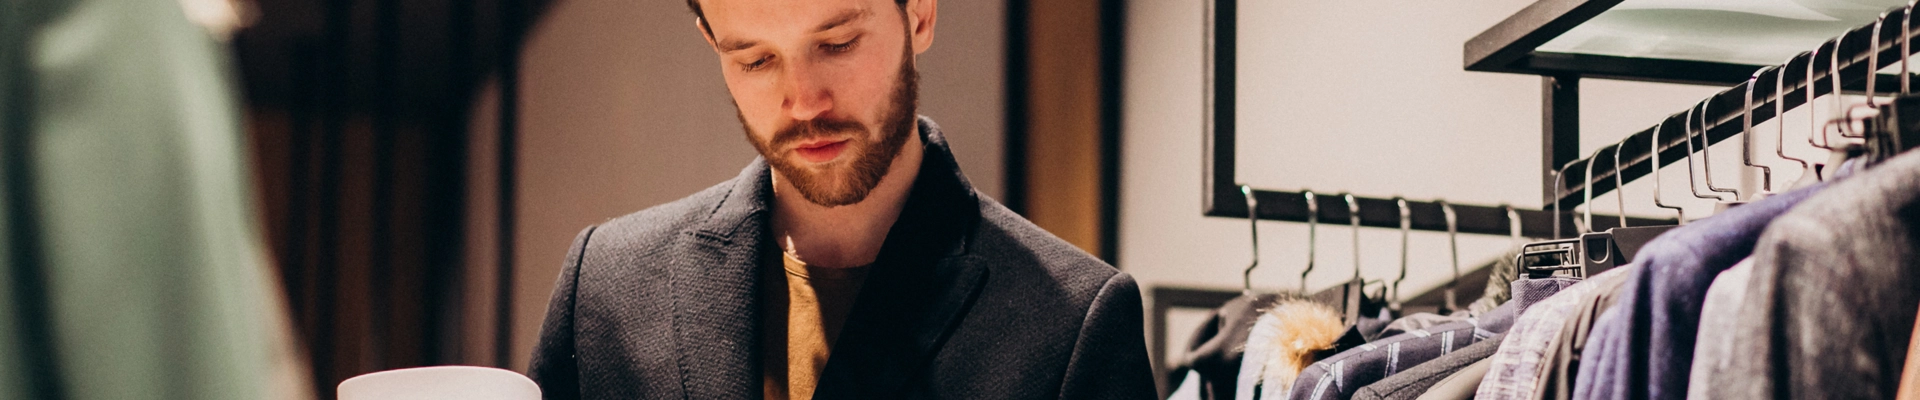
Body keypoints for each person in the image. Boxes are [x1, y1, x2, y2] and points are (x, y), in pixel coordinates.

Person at [526, 0, 1156, 398]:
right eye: (754, 60)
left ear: (920, 15)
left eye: (837, 44)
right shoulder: (606, 284)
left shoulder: (1073, 324)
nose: (803, 101)